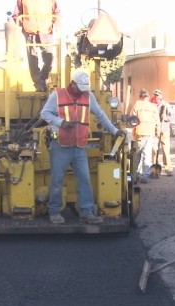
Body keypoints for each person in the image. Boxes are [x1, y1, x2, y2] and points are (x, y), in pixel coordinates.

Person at [40, 70, 125, 225]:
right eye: (80, 88)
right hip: (60, 145)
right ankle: (54, 212)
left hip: (79, 146)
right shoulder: (57, 95)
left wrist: (114, 130)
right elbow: (44, 113)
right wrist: (61, 122)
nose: (82, 91)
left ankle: (87, 212)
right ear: (72, 83)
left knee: (84, 179)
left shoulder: (88, 96)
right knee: (57, 180)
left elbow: (100, 115)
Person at [13, 0, 61, 92]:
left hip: (46, 30)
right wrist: (23, 25)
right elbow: (17, 13)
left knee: (49, 57)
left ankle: (42, 78)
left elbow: (57, 11)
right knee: (32, 58)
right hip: (29, 30)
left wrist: (54, 23)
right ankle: (38, 82)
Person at [130, 88, 159, 184]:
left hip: (139, 132)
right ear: (148, 97)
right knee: (147, 154)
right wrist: (158, 132)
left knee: (136, 154)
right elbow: (157, 121)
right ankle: (145, 176)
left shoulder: (137, 105)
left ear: (140, 96)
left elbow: (132, 119)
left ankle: (134, 175)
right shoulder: (153, 106)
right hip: (150, 132)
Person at [151, 89, 173, 176]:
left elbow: (171, 116)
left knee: (165, 150)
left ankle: (168, 168)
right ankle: (153, 167)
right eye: (155, 95)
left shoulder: (166, 105)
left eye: (158, 95)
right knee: (154, 149)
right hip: (154, 129)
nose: (157, 97)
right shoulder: (151, 104)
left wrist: (166, 117)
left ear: (161, 96)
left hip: (164, 130)